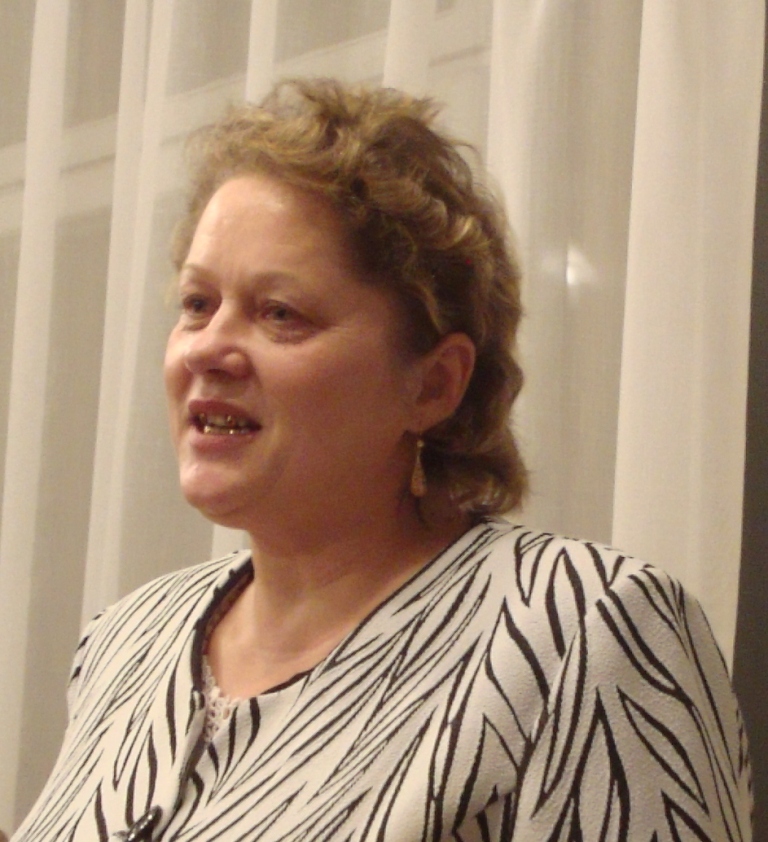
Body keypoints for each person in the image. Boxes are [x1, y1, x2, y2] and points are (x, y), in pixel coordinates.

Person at [13, 78, 751, 841]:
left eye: (279, 312)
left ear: (432, 385)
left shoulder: (580, 631)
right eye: (198, 304)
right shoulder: (126, 641)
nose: (206, 348)